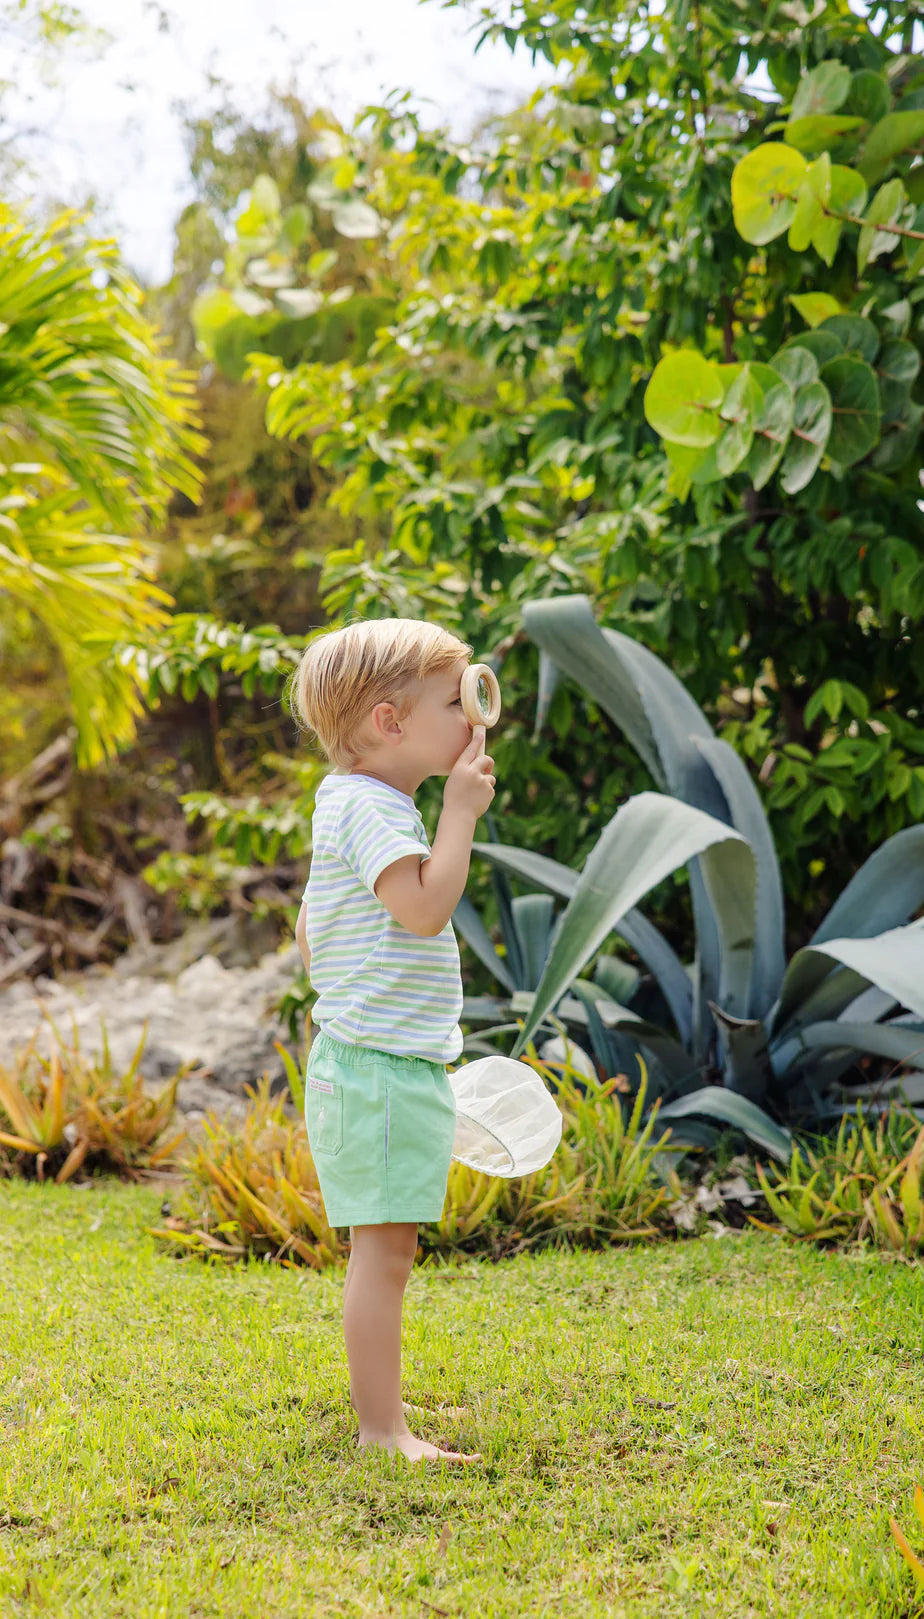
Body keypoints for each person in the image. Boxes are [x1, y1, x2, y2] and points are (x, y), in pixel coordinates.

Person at [287, 617, 496, 1464]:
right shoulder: (381, 811)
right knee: (385, 1256)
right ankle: (383, 1430)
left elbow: (309, 928)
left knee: (389, 1250)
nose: (471, 718)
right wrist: (462, 815)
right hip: (375, 1069)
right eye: (456, 702)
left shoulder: (348, 802)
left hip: (371, 1060)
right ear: (389, 721)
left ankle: (384, 1411)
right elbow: (422, 908)